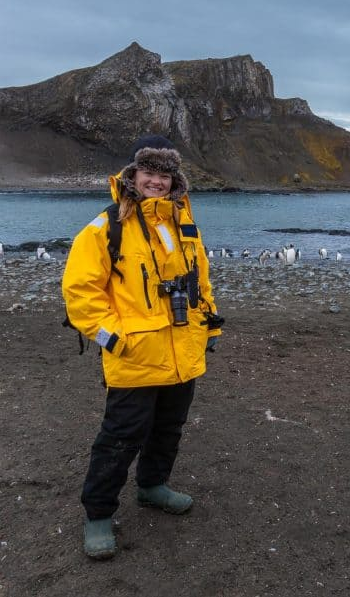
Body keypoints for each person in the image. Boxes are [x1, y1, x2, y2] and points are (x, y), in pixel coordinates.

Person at [62, 135, 222, 560]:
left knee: (169, 427)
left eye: (165, 174)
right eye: (149, 172)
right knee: (121, 436)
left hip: (182, 351)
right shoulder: (106, 227)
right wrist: (113, 338)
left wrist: (209, 327)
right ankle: (98, 514)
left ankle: (152, 486)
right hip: (134, 354)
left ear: (174, 180)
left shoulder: (184, 224)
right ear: (132, 175)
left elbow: (201, 281)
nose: (157, 181)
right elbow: (79, 294)